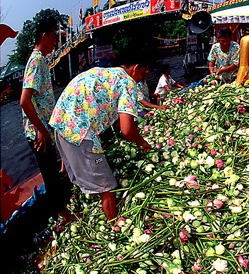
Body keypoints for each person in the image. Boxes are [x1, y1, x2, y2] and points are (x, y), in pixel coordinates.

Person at [49, 55, 152, 223]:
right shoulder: (128, 83)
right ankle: (115, 226)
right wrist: (143, 143)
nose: (143, 78)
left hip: (61, 124)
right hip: (80, 132)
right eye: (144, 72)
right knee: (107, 185)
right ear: (136, 67)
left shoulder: (106, 73)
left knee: (80, 175)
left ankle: (70, 213)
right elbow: (127, 131)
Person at [20, 17, 72, 221]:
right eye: (54, 37)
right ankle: (63, 214)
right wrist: (41, 130)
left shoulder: (41, 60)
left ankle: (61, 206)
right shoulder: (36, 61)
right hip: (37, 132)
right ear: (45, 35)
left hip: (43, 129)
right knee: (49, 175)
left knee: (52, 170)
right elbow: (24, 101)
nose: (55, 43)